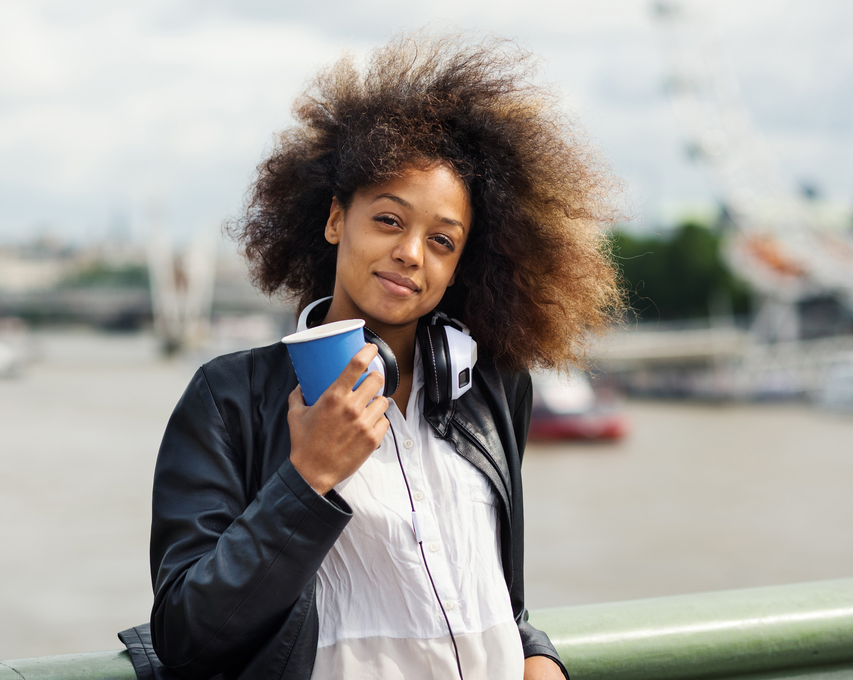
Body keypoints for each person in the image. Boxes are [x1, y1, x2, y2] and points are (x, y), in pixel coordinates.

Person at [120, 33, 623, 680]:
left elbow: (486, 586)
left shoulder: (494, 388)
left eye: (442, 240)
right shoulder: (229, 400)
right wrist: (306, 480)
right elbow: (189, 633)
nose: (412, 253)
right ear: (336, 219)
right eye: (389, 220)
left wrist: (534, 652)